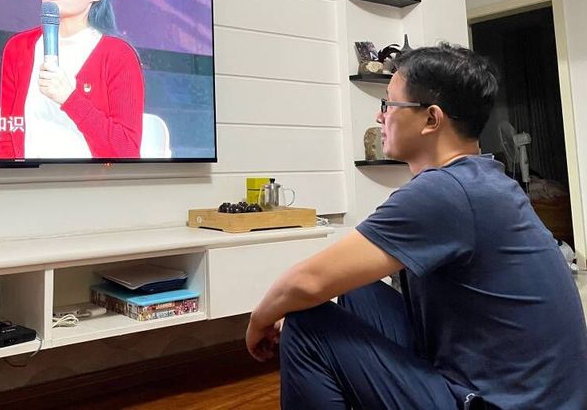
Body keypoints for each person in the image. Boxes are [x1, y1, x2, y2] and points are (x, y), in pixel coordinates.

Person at [246, 43, 587, 409]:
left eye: (389, 104)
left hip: (505, 402)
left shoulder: (447, 191)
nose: (380, 117)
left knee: (306, 327)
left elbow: (305, 282)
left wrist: (259, 322)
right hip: (521, 386)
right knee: (357, 290)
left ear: (431, 119)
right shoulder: (482, 178)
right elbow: (326, 278)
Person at [0, 0, 144, 160]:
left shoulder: (118, 55)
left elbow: (127, 152)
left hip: (94, 181)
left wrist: (69, 97)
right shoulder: (18, 48)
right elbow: (8, 135)